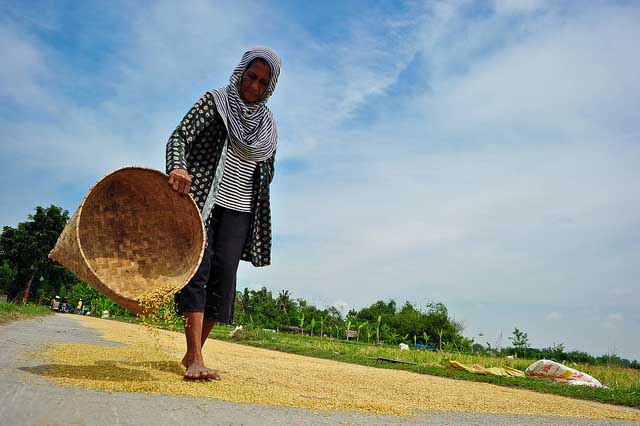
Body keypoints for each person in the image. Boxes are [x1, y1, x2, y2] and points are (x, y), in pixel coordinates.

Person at [165, 47, 281, 380]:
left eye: (262, 82)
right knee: (198, 273)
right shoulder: (215, 102)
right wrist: (178, 166)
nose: (254, 86)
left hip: (241, 211)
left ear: (270, 86)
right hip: (205, 202)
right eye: (251, 77)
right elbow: (179, 136)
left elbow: (267, 169)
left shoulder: (267, 127)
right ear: (241, 72)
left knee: (224, 279)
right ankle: (197, 356)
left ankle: (193, 353)